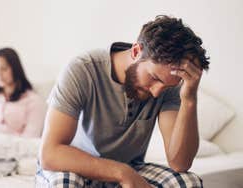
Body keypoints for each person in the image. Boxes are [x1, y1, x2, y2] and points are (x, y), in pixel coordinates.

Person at [37, 15, 210, 187]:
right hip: (74, 166)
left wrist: (189, 99)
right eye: (154, 78)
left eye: (165, 86)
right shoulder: (83, 69)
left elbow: (180, 163)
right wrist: (122, 173)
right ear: (136, 51)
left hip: (131, 167)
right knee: (65, 184)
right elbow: (50, 154)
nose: (157, 92)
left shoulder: (168, 84)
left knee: (187, 182)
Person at [0, 48, 46, 138]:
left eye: (3, 69)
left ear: (15, 69)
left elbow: (31, 138)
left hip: (10, 148)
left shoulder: (34, 101)